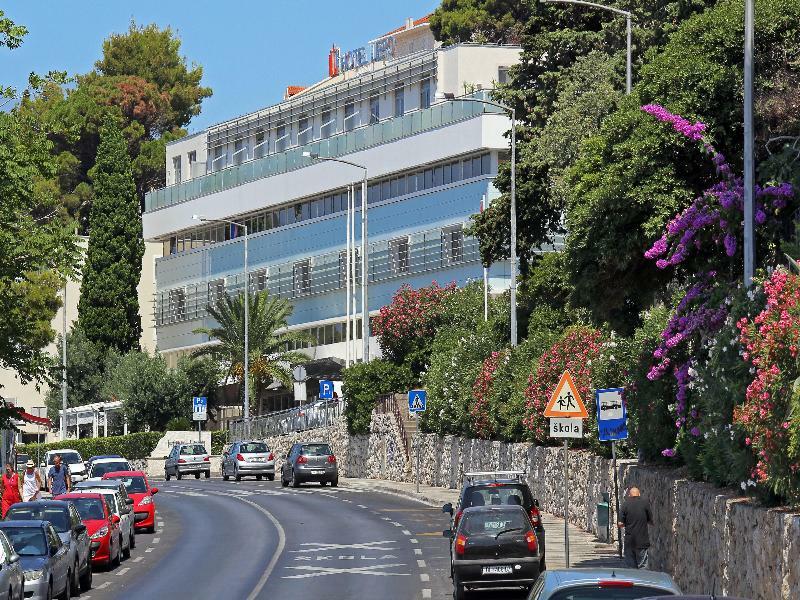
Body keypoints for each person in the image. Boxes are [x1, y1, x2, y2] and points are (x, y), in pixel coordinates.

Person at [618, 486, 653, 569]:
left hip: (629, 541)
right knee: (643, 566)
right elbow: (651, 521)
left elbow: (620, 523)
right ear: (639, 494)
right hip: (642, 541)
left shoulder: (625, 504)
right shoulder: (645, 504)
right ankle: (642, 581)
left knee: (631, 569)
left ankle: (632, 581)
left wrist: (627, 524)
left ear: (629, 495)